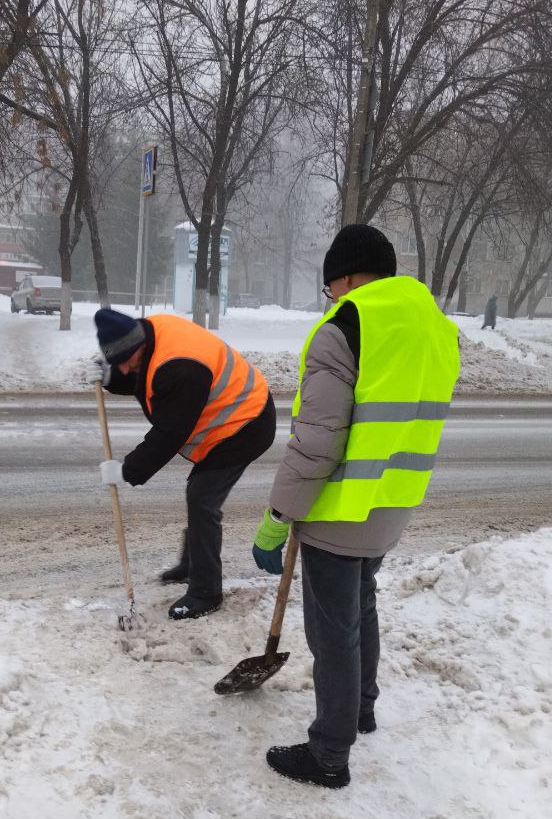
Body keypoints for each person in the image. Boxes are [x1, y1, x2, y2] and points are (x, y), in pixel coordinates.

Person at [251, 224, 460, 788]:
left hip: (340, 507)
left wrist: (278, 515)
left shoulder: (345, 326)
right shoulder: (434, 327)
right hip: (394, 498)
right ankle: (362, 708)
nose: (331, 297)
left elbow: (317, 439)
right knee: (360, 608)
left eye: (330, 287)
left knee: (331, 631)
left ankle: (328, 754)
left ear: (344, 276)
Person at [86, 306, 276, 620]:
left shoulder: (179, 368)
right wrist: (109, 376)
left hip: (247, 423)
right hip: (230, 415)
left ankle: (206, 592)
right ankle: (194, 564)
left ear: (139, 346)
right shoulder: (149, 333)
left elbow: (170, 431)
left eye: (124, 363)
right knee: (199, 492)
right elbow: (141, 375)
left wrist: (128, 470)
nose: (123, 370)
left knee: (202, 496)